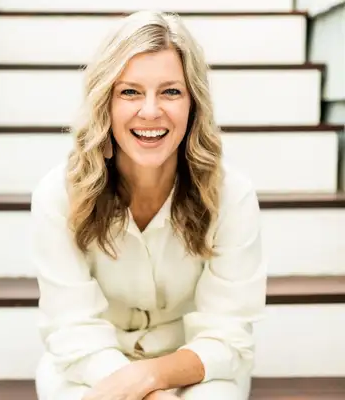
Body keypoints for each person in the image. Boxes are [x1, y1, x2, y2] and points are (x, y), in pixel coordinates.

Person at [31, 10, 267, 400]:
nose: (151, 111)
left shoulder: (232, 196)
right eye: (130, 92)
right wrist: (148, 394)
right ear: (105, 102)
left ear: (193, 103)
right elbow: (72, 328)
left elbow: (227, 335)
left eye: (171, 92)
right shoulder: (57, 195)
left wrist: (150, 377)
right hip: (90, 367)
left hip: (194, 369)